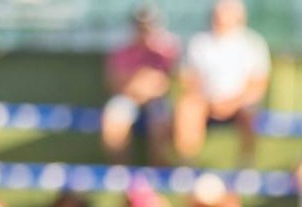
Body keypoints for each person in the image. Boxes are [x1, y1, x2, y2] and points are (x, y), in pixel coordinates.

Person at [173, 0, 271, 163]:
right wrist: (208, 100)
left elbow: (258, 85)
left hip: (240, 104)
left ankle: (246, 163)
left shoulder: (253, 44)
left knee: (251, 112)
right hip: (205, 102)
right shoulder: (198, 42)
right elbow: (188, 79)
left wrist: (232, 103)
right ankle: (188, 163)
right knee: (187, 108)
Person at [100, 4, 180, 166]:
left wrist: (141, 86)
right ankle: (120, 170)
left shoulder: (165, 50)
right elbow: (115, 83)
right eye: (140, 26)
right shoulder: (121, 50)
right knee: (114, 118)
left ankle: (158, 168)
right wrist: (139, 87)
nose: (144, 30)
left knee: (161, 116)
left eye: (148, 26)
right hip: (126, 98)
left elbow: (164, 83)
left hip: (156, 100)